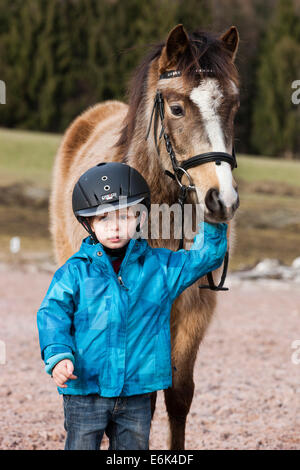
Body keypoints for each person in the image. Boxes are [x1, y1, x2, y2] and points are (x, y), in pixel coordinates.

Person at [37, 161, 228, 450]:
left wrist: (213, 221)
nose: (115, 227)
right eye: (103, 219)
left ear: (140, 216)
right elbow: (52, 314)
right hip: (86, 390)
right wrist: (57, 354)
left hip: (137, 394)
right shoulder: (74, 272)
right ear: (88, 224)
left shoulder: (160, 267)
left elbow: (204, 258)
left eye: (125, 216)